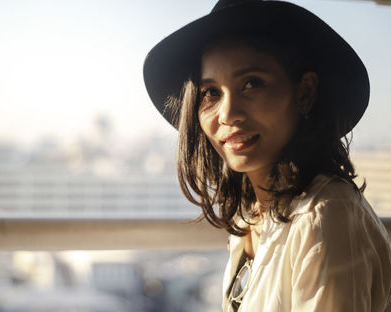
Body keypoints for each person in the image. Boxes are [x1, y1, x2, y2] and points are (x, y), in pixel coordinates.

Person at [143, 0, 391, 311]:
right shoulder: (251, 210)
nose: (228, 113)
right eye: (211, 93)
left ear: (304, 93)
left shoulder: (324, 216)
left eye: (251, 84)